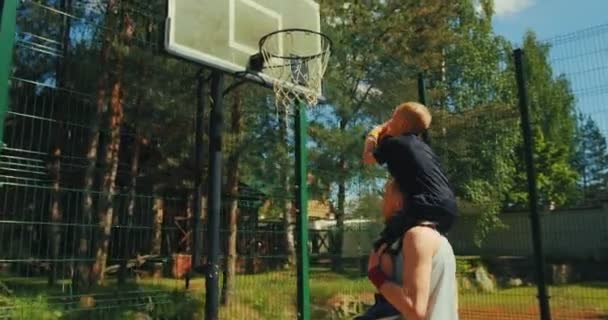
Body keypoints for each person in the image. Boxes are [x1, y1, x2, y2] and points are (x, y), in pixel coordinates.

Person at [356, 102, 458, 319]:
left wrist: (374, 132)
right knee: (392, 241)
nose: (388, 122)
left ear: (401, 123)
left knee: (382, 246)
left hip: (425, 205)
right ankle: (388, 299)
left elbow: (368, 157)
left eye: (392, 117)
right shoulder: (422, 148)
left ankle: (386, 303)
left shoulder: (397, 144)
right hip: (447, 207)